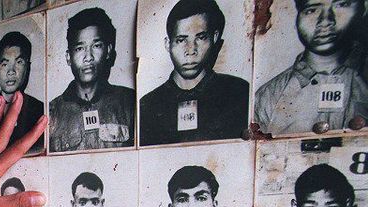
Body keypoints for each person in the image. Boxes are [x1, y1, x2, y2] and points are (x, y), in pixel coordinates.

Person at [140, 0, 249, 146]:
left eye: (201, 38)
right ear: (168, 44)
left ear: (214, 38)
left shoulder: (238, 92)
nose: (191, 50)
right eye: (181, 40)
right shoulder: (148, 106)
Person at [254, 0, 368, 135]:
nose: (325, 21)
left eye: (341, 5)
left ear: (364, 8)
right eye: (311, 10)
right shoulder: (269, 95)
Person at [49, 7, 134, 152]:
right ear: (68, 57)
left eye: (96, 46)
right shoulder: (53, 111)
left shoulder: (129, 102)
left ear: (108, 51)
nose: (88, 57)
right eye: (79, 48)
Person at [0, 31, 44, 153]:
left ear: (27, 67)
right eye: (4, 64)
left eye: (19, 62)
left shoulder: (41, 110)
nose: (11, 71)